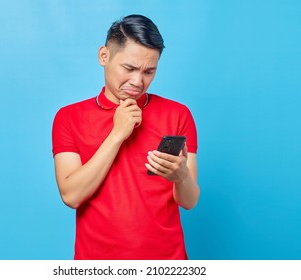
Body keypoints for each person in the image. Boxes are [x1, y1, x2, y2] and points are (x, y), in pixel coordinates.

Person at [52, 14, 200, 260]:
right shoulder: (69, 117)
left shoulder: (178, 114)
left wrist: (181, 175)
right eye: (129, 68)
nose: (137, 81)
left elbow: (189, 201)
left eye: (149, 71)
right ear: (104, 56)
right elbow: (71, 195)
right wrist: (116, 135)